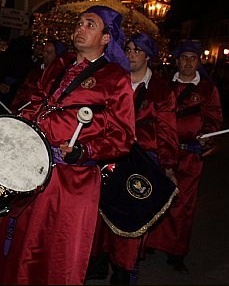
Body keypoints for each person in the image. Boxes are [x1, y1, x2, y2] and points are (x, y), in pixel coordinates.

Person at [0, 6, 136, 285]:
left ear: (106, 38)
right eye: (79, 23)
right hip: (34, 170)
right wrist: (14, 127)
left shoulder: (115, 78)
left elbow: (123, 136)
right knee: (23, 242)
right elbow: (36, 104)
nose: (80, 28)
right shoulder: (60, 64)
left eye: (90, 25)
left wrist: (85, 151)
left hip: (73, 179)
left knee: (59, 251)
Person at [87, 32, 179, 284]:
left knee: (132, 216)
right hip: (110, 155)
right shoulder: (114, 81)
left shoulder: (160, 90)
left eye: (137, 50)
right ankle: (97, 262)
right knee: (100, 212)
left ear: (148, 56)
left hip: (142, 161)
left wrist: (168, 164)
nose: (131, 54)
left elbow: (168, 130)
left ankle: (122, 270)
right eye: (127, 49)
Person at [145, 39, 223, 272]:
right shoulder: (163, 86)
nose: (188, 62)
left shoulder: (208, 89)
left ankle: (176, 251)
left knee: (183, 204)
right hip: (161, 154)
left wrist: (208, 135)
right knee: (155, 198)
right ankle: (148, 242)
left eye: (193, 58)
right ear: (177, 61)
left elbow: (214, 119)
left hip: (190, 157)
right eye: (184, 58)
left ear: (198, 62)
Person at [10, 39, 67, 112]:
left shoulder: (61, 77)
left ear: (58, 56)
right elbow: (22, 91)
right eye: (44, 51)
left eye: (48, 52)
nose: (44, 54)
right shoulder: (35, 71)